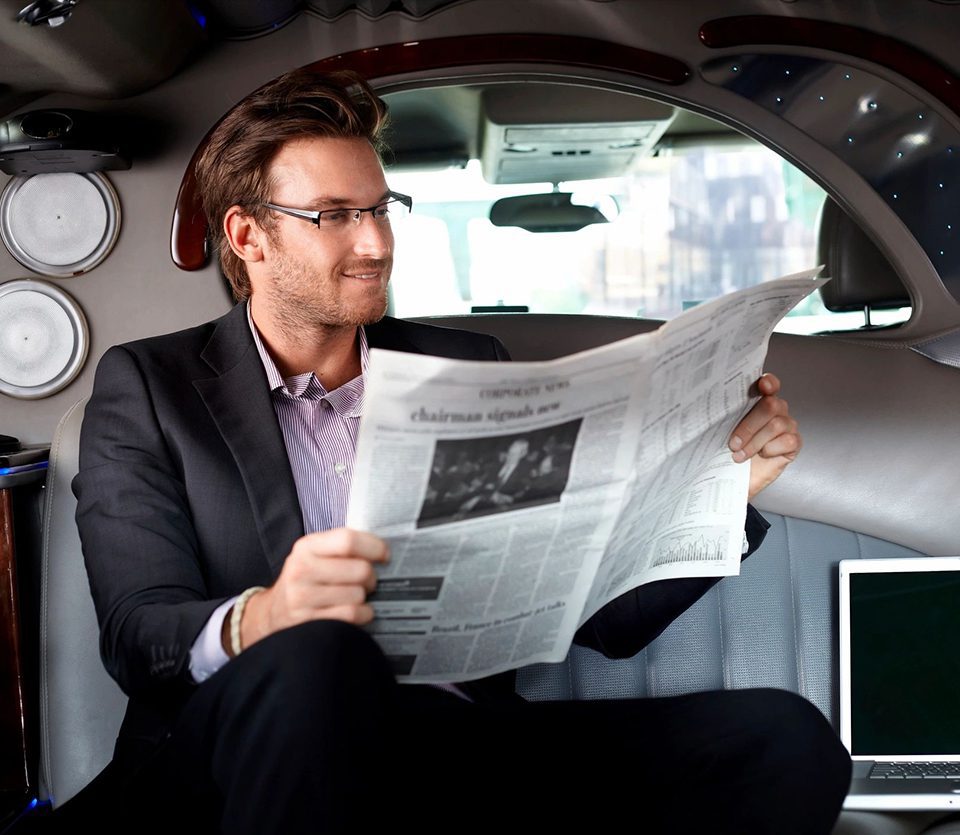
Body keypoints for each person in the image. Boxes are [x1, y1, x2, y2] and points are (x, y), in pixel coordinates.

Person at [67, 68, 851, 834]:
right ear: (247, 235)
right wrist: (265, 616)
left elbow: (598, 619)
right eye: (334, 215)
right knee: (321, 659)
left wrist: (723, 489)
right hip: (247, 750)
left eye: (381, 207)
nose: (374, 241)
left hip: (453, 744)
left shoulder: (468, 362)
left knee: (784, 740)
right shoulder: (152, 387)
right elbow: (140, 638)